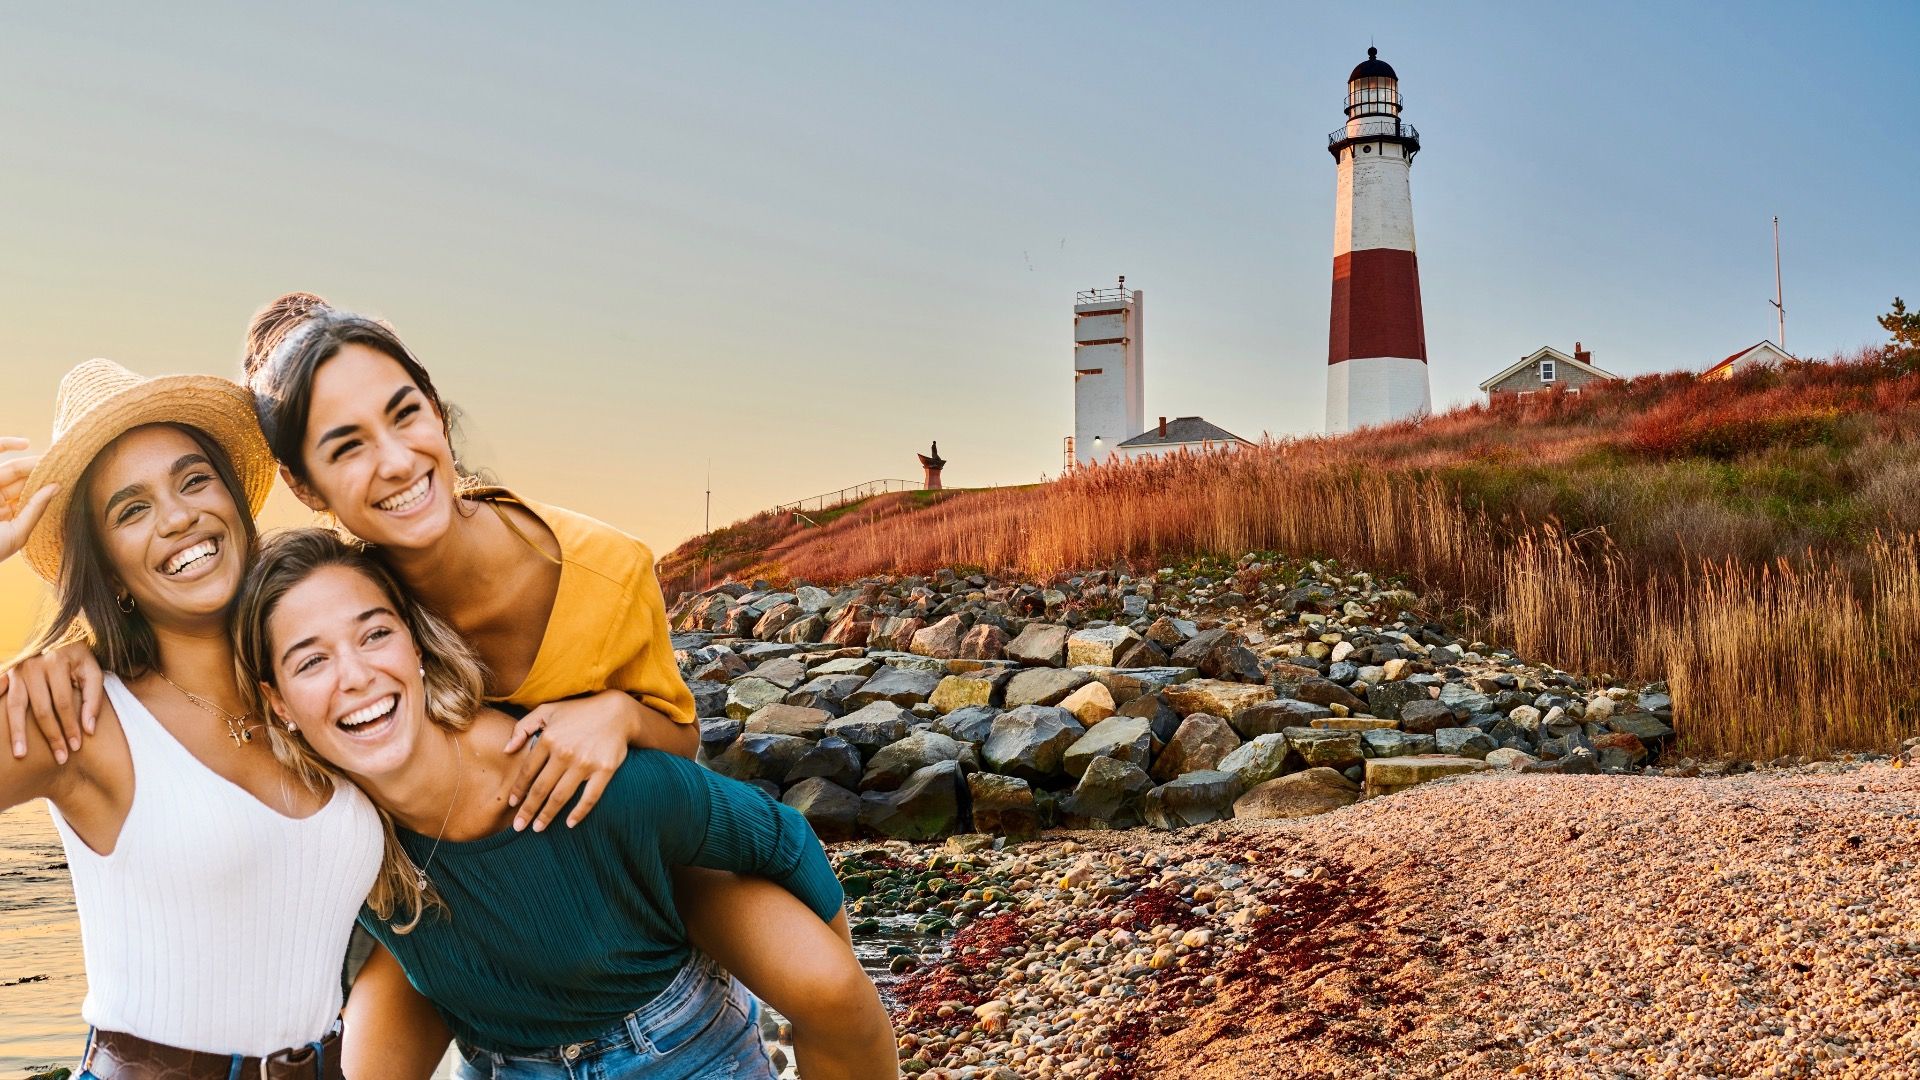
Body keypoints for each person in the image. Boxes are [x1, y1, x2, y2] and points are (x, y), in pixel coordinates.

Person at [247, 298, 897, 1077]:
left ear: (438, 414)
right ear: (304, 483)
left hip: (619, 862)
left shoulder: (602, 571)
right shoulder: (341, 599)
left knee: (827, 990)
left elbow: (679, 747)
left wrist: (617, 715)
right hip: (446, 883)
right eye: (346, 445)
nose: (392, 461)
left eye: (404, 414)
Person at [0, 360, 649, 1077]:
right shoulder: (81, 715)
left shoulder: (326, 698)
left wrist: (620, 712)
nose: (178, 517)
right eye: (131, 510)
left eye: (194, 480)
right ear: (107, 566)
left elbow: (440, 862)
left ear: (234, 500)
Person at [234, 527, 849, 1079]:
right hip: (500, 1058)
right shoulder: (321, 820)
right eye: (312, 661)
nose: (355, 675)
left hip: (676, 1051)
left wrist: (827, 993)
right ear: (278, 702)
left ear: (415, 647)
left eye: (374, 634)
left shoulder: (569, 775)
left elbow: (785, 840)